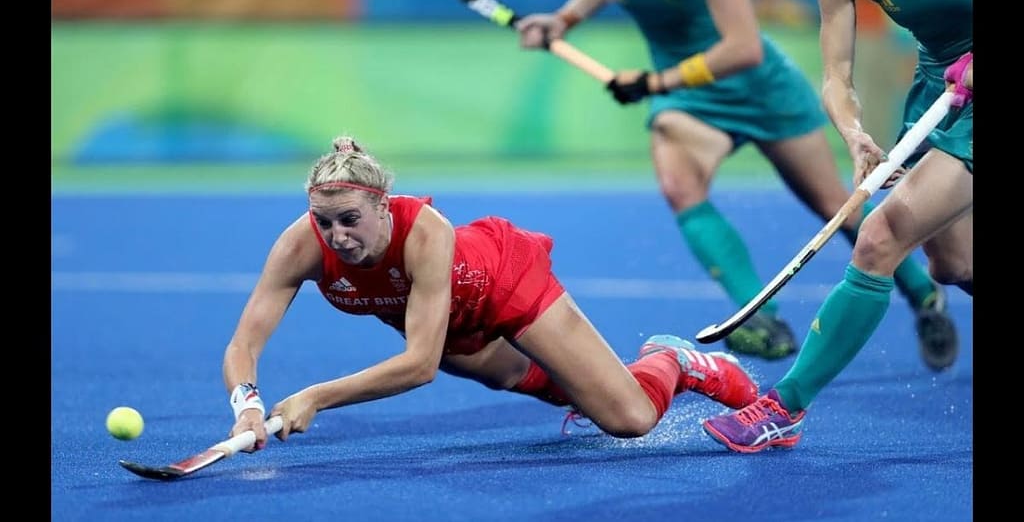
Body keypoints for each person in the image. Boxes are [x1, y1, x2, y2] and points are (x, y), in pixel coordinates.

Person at [513, 0, 958, 368]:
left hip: (761, 91)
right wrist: (559, 22)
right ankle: (759, 316)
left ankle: (924, 296)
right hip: (689, 100)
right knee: (681, 187)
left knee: (834, 204)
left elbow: (745, 48)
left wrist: (655, 82)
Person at [223, 136, 761, 449]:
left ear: (382, 205)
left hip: (505, 284)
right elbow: (243, 343)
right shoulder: (301, 245)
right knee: (558, 389)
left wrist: (316, 396)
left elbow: (419, 365)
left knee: (630, 420)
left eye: (349, 220)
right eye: (324, 222)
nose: (337, 237)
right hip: (446, 322)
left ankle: (675, 361)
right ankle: (601, 383)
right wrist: (247, 403)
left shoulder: (425, 232)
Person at [702, 0, 972, 453]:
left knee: (880, 237)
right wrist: (854, 133)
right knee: (954, 265)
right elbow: (836, 77)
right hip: (941, 89)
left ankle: (785, 406)